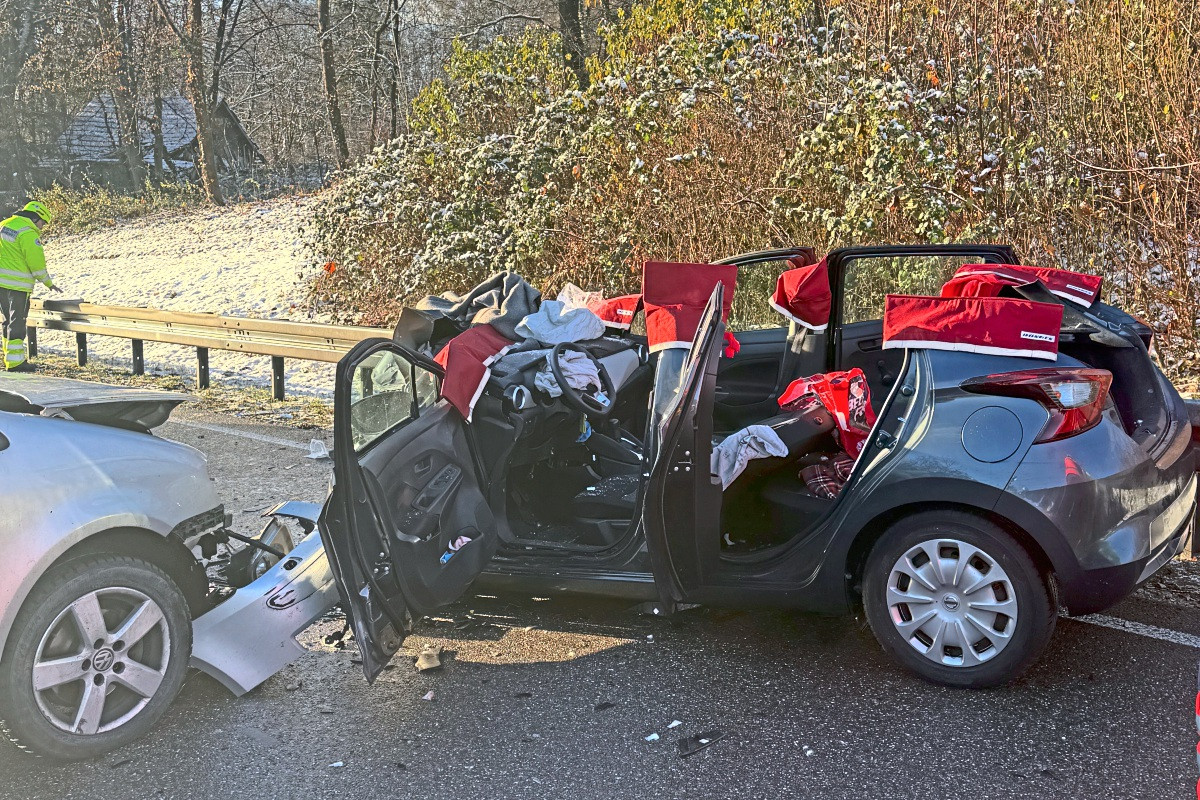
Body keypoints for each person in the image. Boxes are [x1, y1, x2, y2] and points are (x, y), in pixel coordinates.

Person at [0, 200, 61, 372]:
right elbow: (36, 263)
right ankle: (16, 363)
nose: (43, 227)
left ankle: (9, 359)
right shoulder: (27, 233)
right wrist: (48, 283)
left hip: (1, 285)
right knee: (17, 322)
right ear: (35, 218)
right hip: (18, 286)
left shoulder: (4, 225)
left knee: (7, 321)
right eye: (43, 222)